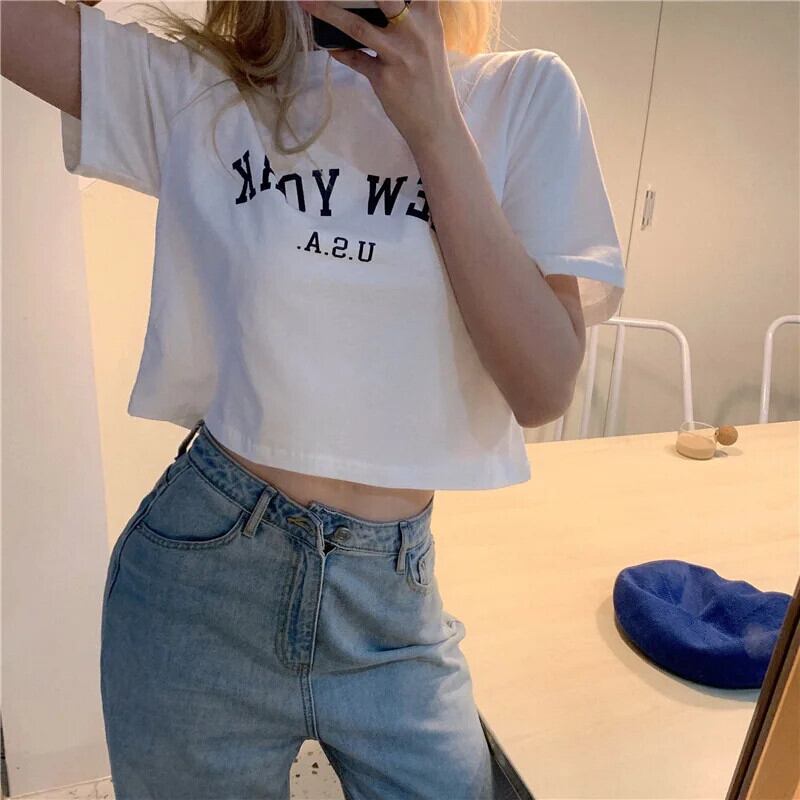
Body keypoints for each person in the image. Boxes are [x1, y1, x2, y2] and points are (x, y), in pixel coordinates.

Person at [1, 0, 625, 797]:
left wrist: (435, 127)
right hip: (203, 579)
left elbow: (542, 387)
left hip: (392, 609)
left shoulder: (522, 95)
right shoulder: (203, 91)